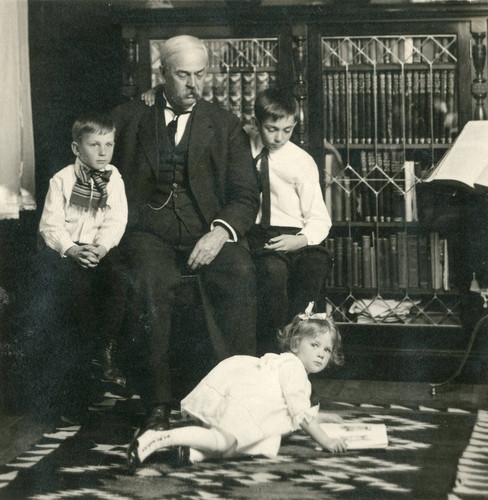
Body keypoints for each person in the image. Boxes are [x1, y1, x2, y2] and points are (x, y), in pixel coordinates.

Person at [111, 35, 260, 434]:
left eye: (200, 75)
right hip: (148, 233)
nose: (194, 84)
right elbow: (99, 172)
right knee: (148, 279)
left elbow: (246, 195)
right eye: (183, 75)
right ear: (162, 74)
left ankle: (234, 398)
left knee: (239, 271)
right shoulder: (129, 118)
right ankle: (156, 403)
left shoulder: (225, 125)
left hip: (206, 230)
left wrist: (218, 234)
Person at [126, 302, 346, 470]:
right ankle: (158, 438)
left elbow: (294, 409)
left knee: (260, 443)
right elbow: (299, 411)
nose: (321, 353)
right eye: (314, 345)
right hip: (248, 405)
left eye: (326, 350)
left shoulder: (289, 366)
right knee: (226, 440)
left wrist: (321, 418)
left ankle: (191, 454)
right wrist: (326, 440)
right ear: (296, 344)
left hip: (254, 408)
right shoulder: (294, 368)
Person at [35, 112, 128, 417]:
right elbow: (51, 226)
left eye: (109, 144)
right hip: (68, 253)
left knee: (118, 282)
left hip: (100, 250)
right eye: (95, 145)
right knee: (76, 300)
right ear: (77, 149)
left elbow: (116, 220)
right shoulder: (61, 180)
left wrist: (100, 249)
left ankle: (104, 350)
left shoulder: (114, 178)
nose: (103, 152)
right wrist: (73, 250)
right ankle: (77, 388)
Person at [247, 88, 333, 354]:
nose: (278, 137)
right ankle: (272, 344)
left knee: (316, 263)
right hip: (261, 233)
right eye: (271, 129)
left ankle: (293, 333)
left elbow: (319, 217)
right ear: (256, 123)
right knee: (274, 272)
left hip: (296, 234)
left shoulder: (301, 161)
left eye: (287, 130)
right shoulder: (242, 148)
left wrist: (299, 240)